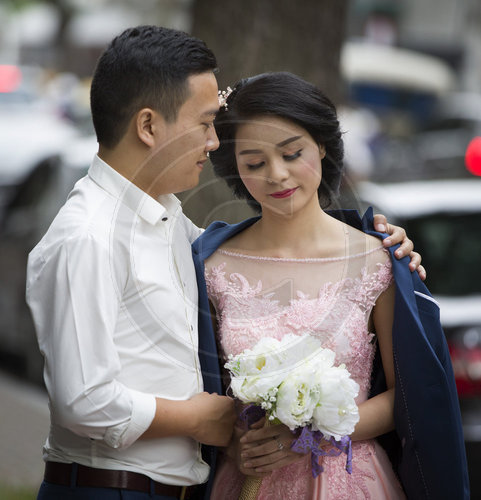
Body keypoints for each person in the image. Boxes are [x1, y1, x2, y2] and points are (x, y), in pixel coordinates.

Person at [26, 25, 423, 500]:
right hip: (110, 487)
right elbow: (81, 402)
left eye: (292, 153)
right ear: (150, 127)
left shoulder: (173, 223)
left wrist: (376, 239)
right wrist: (201, 418)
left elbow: (283, 236)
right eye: (204, 123)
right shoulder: (88, 237)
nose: (213, 141)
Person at [192, 72, 469, 499]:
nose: (277, 175)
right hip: (248, 480)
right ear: (235, 169)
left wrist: (311, 436)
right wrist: (235, 439)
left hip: (349, 478)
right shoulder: (212, 265)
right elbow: (201, 387)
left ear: (321, 145)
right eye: (255, 163)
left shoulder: (377, 260)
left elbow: (406, 395)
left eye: (292, 153)